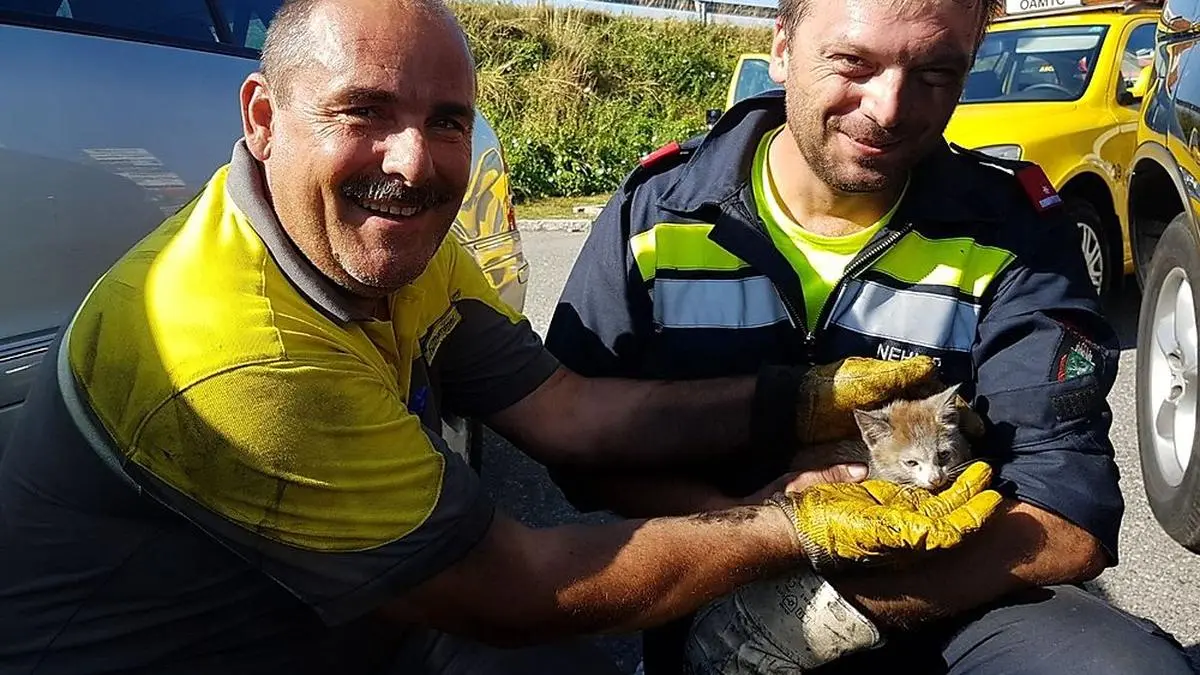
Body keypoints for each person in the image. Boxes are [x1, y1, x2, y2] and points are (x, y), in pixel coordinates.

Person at [0, 0, 1009, 673]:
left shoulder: (375, 245)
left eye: (447, 120)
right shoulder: (240, 348)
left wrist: (793, 398)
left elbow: (566, 410)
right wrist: (791, 524)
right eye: (363, 111)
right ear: (264, 116)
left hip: (334, 628)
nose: (416, 161)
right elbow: (522, 589)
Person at [543, 0, 1197, 673]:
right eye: (854, 62)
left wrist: (830, 615)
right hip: (716, 596)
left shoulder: (1016, 234)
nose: (890, 108)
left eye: (937, 72)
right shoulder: (655, 213)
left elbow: (1066, 507)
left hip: (953, 601)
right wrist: (746, 530)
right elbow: (578, 446)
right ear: (781, 46)